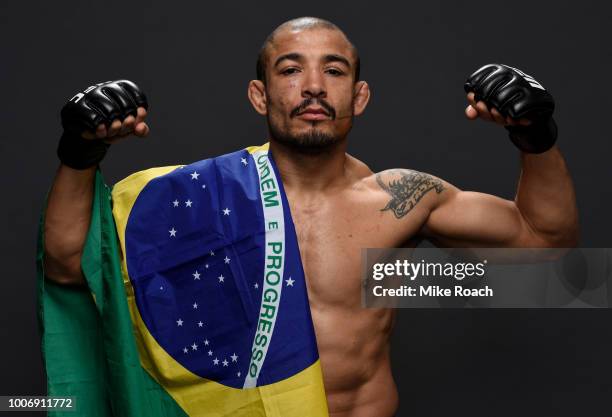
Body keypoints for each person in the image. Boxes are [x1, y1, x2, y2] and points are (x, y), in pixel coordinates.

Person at [43, 16, 578, 417]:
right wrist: (80, 153)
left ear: (360, 95)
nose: (314, 86)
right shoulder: (199, 201)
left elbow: (547, 260)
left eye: (335, 70)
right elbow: (69, 267)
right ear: (260, 94)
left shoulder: (401, 205)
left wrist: (535, 139)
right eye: (291, 69)